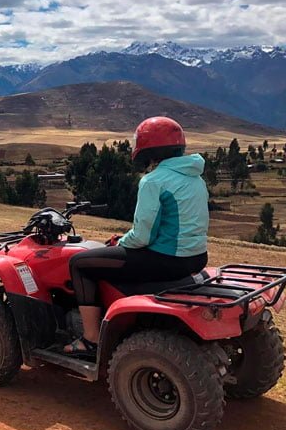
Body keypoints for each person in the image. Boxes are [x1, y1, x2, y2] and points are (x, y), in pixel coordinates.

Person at [64, 116, 209, 359]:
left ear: (148, 148)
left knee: (79, 264)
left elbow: (142, 236)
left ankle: (90, 339)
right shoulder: (195, 177)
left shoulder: (153, 181)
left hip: (165, 259)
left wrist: (122, 242)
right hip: (195, 258)